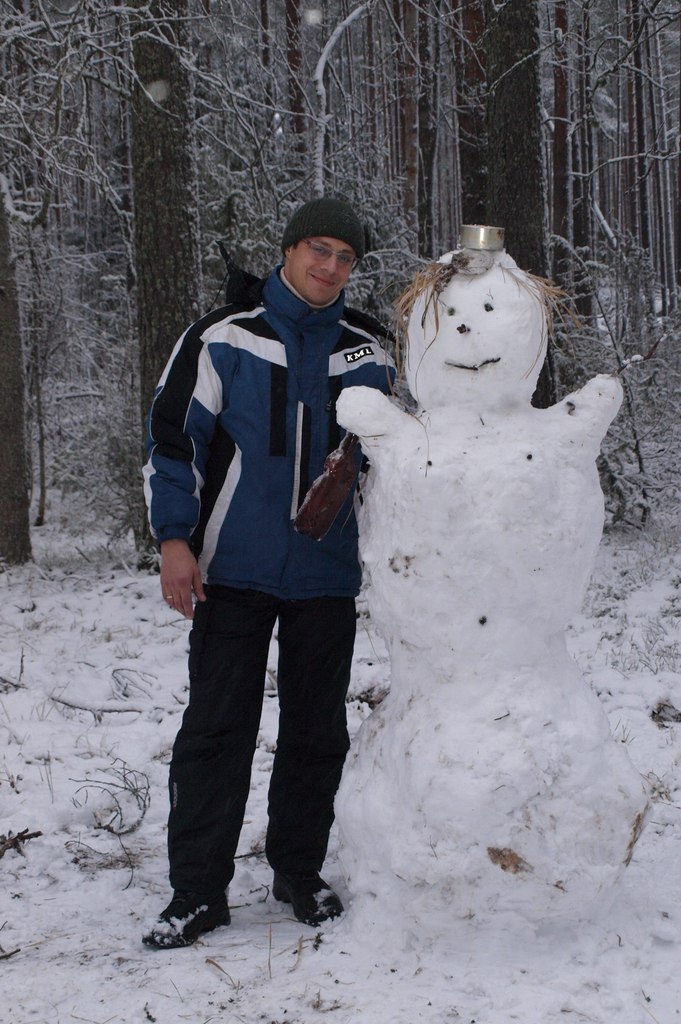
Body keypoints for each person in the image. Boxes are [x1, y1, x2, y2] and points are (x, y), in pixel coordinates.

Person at [141, 197, 394, 949]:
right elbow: (174, 440)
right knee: (216, 731)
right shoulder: (224, 337)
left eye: (345, 258)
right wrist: (174, 540)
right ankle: (197, 893)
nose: (331, 267)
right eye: (319, 249)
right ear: (288, 249)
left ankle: (297, 871)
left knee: (317, 732)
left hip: (326, 574)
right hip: (233, 568)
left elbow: (397, 464)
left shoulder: (369, 354)